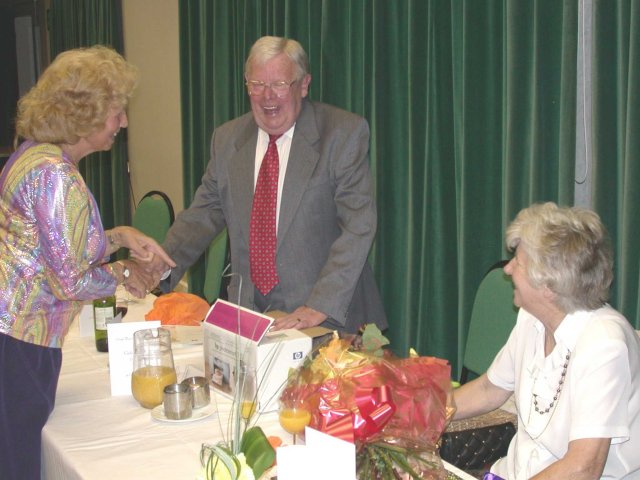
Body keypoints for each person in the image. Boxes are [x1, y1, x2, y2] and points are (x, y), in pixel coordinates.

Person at [0, 45, 175, 479]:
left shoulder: (33, 155)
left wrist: (118, 237)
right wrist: (126, 273)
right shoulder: (55, 176)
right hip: (21, 345)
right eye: (117, 110)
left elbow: (55, 248)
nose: (124, 121)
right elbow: (71, 282)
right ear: (86, 112)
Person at [147, 36, 387, 334]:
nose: (267, 97)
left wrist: (319, 305)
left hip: (325, 320)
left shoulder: (342, 134)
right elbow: (203, 213)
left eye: (279, 85)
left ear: (303, 84)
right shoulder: (228, 139)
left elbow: (359, 226)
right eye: (257, 85)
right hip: (249, 316)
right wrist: (161, 264)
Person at [453, 203, 640, 479]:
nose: (507, 270)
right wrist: (419, 412)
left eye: (518, 261)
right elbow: (489, 389)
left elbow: (583, 468)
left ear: (549, 286)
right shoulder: (531, 318)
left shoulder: (604, 345)